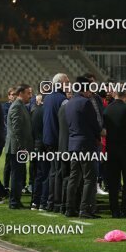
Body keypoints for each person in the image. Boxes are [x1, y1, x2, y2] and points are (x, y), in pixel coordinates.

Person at [65, 76, 102, 219]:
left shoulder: (69, 103)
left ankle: (69, 207)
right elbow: (94, 124)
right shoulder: (86, 103)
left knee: (74, 177)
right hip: (86, 144)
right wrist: (98, 136)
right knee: (90, 178)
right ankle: (85, 209)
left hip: (73, 143)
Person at [103, 90, 126, 218]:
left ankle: (114, 210)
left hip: (111, 149)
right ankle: (125, 209)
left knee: (113, 182)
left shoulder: (107, 110)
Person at [43, 73, 69, 212]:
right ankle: (58, 203)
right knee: (59, 172)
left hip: (48, 139)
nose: (69, 84)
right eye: (67, 82)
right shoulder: (62, 99)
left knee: (53, 172)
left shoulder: (47, 98)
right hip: (58, 139)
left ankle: (50, 201)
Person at [5, 84, 34, 209]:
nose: (30, 96)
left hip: (18, 147)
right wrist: (22, 147)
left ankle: (15, 200)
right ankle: (14, 202)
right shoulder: (17, 106)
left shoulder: (20, 106)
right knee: (17, 175)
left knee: (18, 174)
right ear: (21, 93)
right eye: (28, 93)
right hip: (17, 148)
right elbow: (17, 130)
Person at [31, 94, 50, 211]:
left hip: (36, 145)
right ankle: (43, 202)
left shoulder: (34, 111)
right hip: (44, 145)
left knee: (38, 175)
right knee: (46, 174)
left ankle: (35, 202)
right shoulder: (45, 111)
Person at [2, 87, 15, 192]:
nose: (13, 96)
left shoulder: (20, 105)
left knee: (21, 162)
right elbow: (6, 122)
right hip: (10, 138)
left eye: (15, 94)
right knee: (8, 163)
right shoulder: (5, 106)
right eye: (12, 94)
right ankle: (6, 185)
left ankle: (22, 185)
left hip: (17, 139)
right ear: (8, 96)